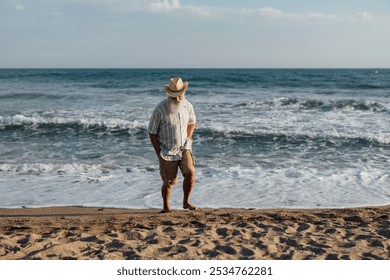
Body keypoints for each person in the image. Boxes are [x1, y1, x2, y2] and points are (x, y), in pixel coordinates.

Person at [148, 77, 197, 213]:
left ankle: (186, 202)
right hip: (167, 150)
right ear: (169, 94)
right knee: (169, 182)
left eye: (179, 95)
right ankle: (166, 207)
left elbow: (192, 121)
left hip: (184, 147)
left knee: (190, 173)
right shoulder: (160, 109)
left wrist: (189, 137)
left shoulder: (187, 105)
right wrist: (158, 152)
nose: (177, 98)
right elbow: (151, 132)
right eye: (174, 96)